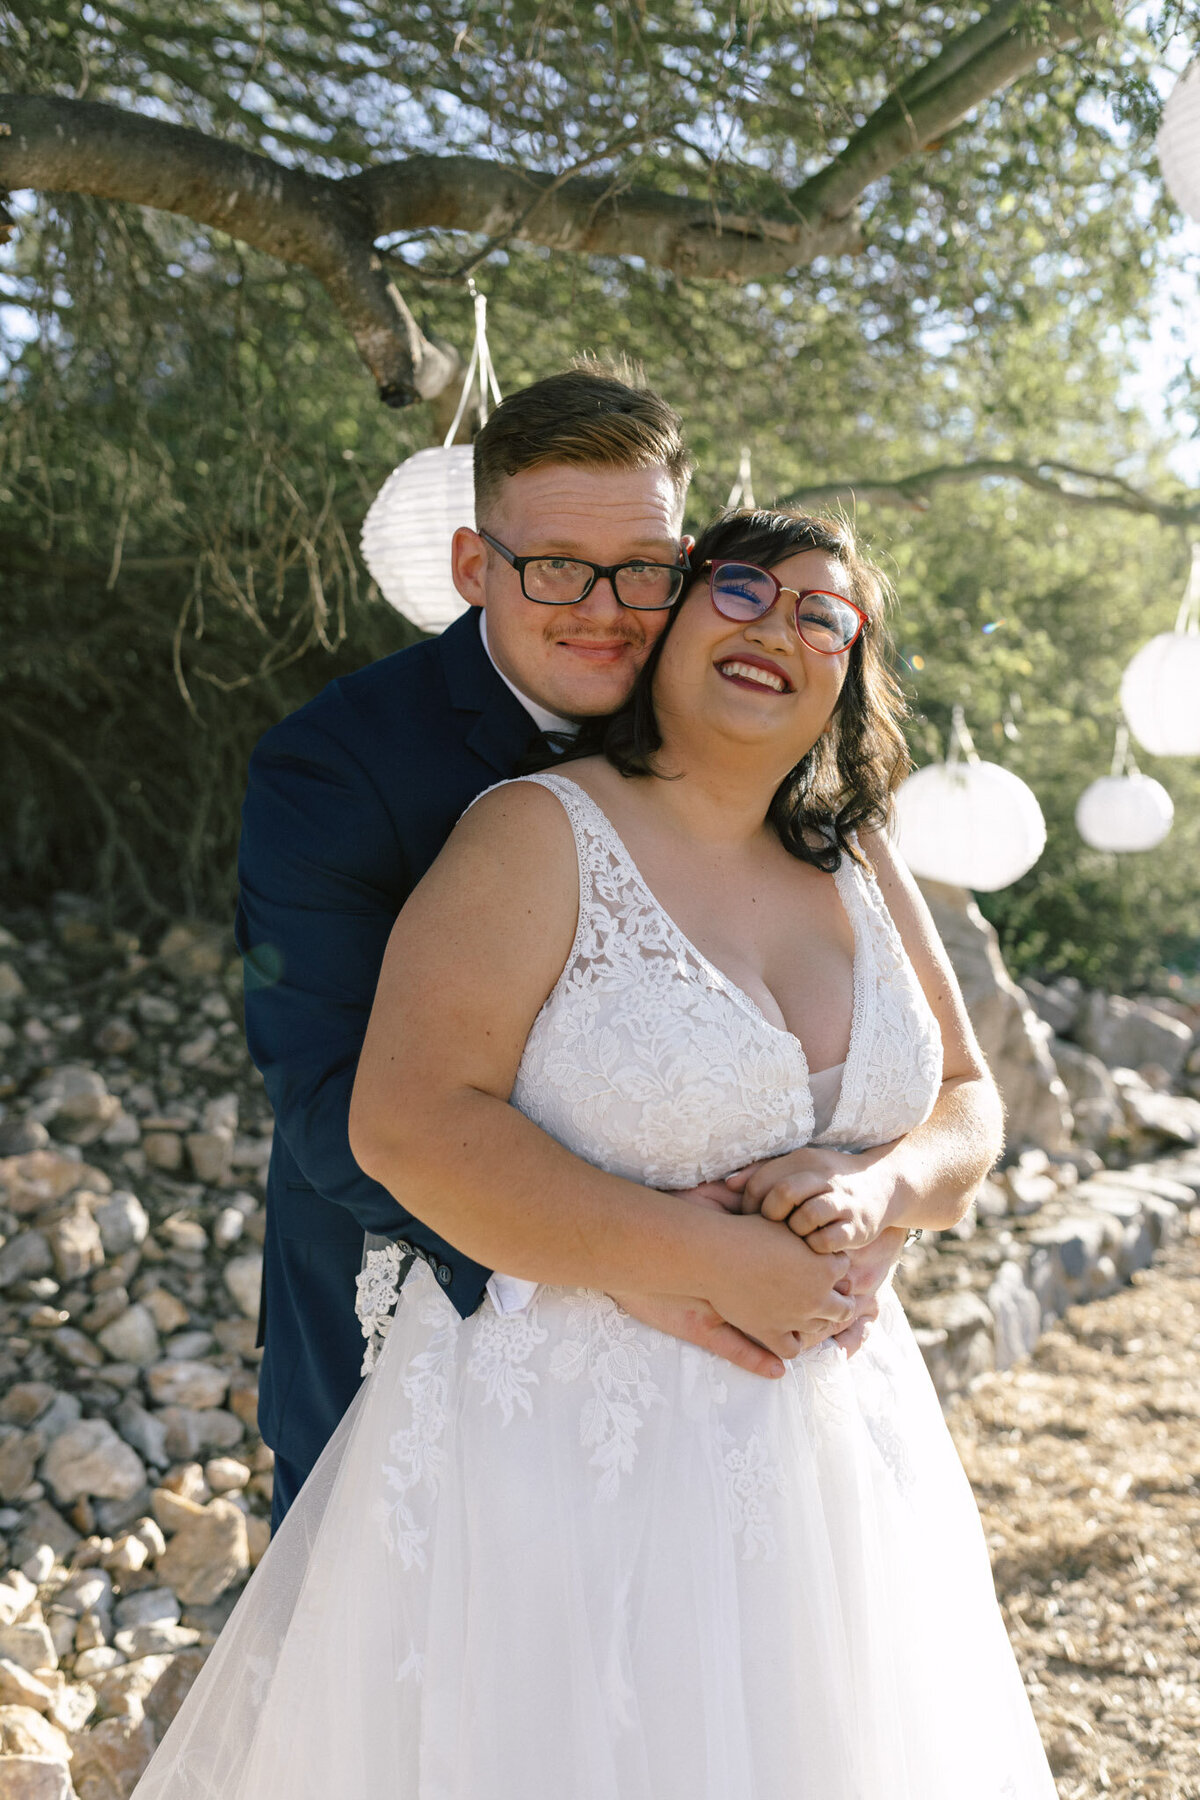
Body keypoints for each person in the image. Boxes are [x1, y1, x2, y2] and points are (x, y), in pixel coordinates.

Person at [133, 506, 1056, 1799]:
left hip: (836, 1446)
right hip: (567, 1447)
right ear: (671, 620)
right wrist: (702, 1257)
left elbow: (966, 1099)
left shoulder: (861, 855)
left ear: (850, 673)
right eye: (741, 591)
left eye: (822, 614)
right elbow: (408, 1122)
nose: (778, 627)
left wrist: (875, 1186)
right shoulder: (537, 830)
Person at [234, 363, 944, 1529]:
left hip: (744, 1389)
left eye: (646, 571)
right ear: (474, 568)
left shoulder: (736, 742)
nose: (606, 607)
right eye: (557, 566)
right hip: (424, 1345)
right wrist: (641, 1261)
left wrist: (846, 1209)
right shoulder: (336, 768)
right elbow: (334, 1109)